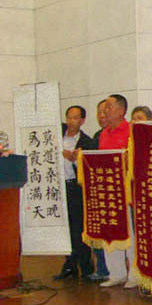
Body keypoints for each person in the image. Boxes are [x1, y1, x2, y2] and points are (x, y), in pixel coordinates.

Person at [98, 95, 137, 289]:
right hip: (108, 190)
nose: (105, 110)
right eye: (105, 107)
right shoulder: (103, 134)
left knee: (130, 233)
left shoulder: (131, 131)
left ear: (122, 110)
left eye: (110, 107)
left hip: (127, 191)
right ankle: (116, 273)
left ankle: (134, 275)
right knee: (110, 231)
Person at [54, 106, 96, 281]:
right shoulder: (57, 134)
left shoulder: (86, 142)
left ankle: (86, 267)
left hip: (75, 188)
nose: (71, 121)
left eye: (75, 118)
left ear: (82, 120)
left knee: (78, 228)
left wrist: (76, 160)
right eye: (69, 117)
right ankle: (69, 265)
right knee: (64, 229)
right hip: (58, 187)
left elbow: (90, 168)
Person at [85, 100, 110, 283]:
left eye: (105, 111)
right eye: (99, 112)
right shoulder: (98, 136)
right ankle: (102, 268)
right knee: (99, 232)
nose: (102, 115)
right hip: (98, 191)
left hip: (114, 191)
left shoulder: (125, 133)